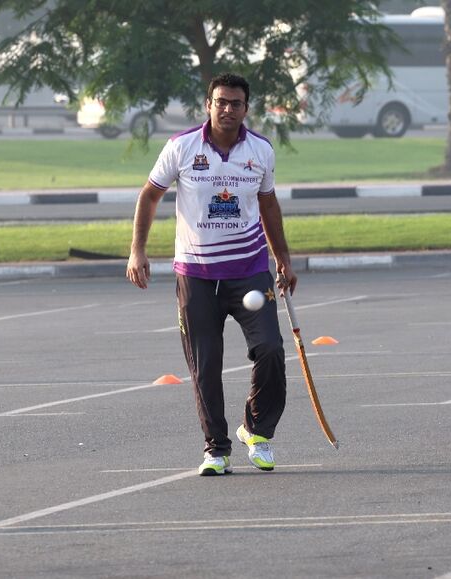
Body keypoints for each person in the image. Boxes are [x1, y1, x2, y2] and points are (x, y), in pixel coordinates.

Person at [126, 72, 297, 476]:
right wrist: (138, 250)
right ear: (208, 105)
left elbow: (269, 205)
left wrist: (283, 258)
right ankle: (216, 450)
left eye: (235, 103)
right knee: (206, 365)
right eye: (220, 102)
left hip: (250, 269)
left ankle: (256, 432)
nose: (227, 109)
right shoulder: (182, 147)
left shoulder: (260, 150)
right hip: (196, 274)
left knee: (271, 349)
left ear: (246, 108)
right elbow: (150, 195)